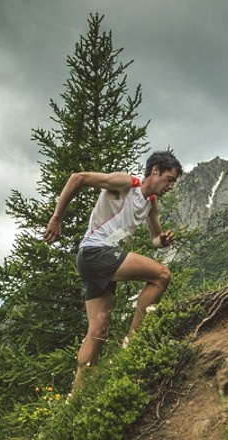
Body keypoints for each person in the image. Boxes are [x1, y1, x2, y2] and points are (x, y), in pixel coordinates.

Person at [44, 150, 183, 389]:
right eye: (169, 179)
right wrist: (57, 217)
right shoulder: (127, 184)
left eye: (174, 182)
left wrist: (164, 240)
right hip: (94, 253)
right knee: (162, 275)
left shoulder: (151, 203)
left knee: (98, 331)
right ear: (155, 171)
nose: (170, 186)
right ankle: (134, 343)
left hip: (97, 261)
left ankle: (76, 396)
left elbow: (155, 239)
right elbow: (77, 178)